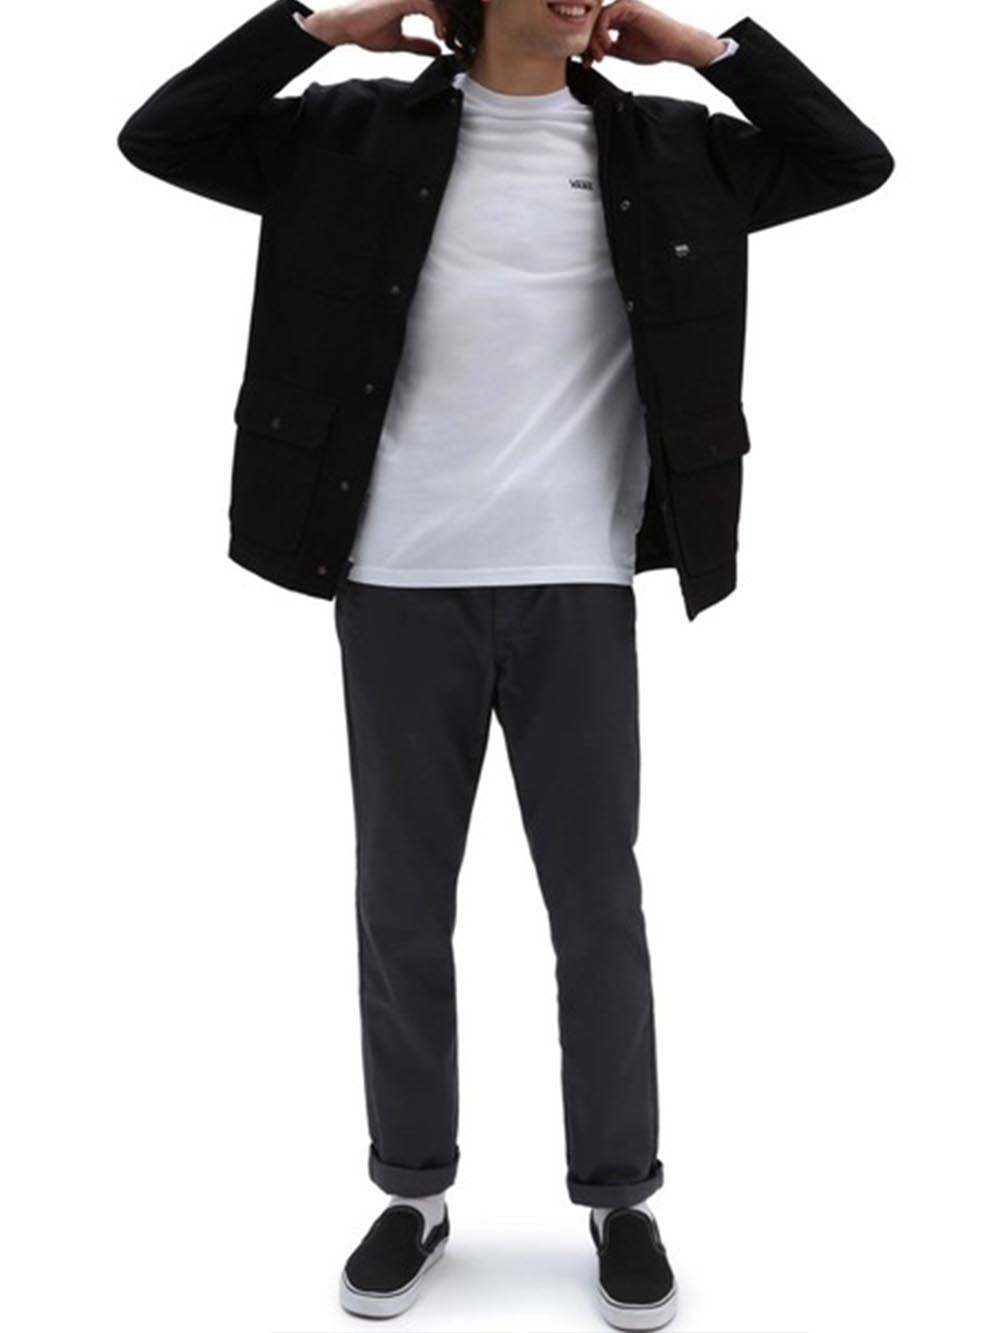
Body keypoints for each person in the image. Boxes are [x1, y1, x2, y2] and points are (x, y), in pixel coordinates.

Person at [117, 1, 893, 1326]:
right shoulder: (352, 137)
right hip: (397, 577)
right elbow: (162, 137)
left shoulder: (665, 150)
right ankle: (412, 1189)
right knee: (401, 904)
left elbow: (850, 161)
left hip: (576, 578)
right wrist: (317, 27)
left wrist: (706, 51)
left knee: (597, 903)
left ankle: (621, 1196)